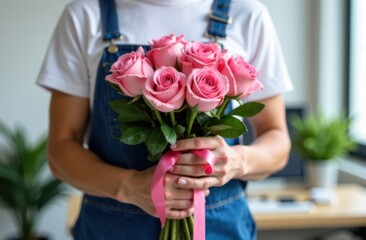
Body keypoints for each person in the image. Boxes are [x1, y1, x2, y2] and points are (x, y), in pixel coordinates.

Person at [37, 0, 293, 239]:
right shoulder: (85, 15)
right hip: (113, 228)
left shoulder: (247, 14)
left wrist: (237, 161)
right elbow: (61, 150)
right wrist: (129, 186)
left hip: (220, 227)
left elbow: (277, 140)